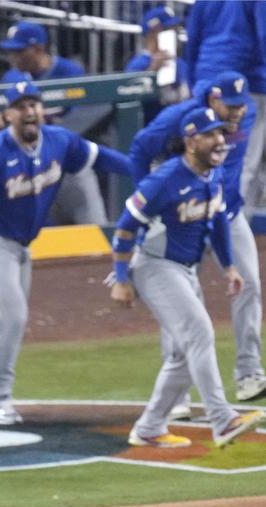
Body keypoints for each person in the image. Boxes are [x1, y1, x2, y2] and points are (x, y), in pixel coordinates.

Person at [0, 82, 131, 424]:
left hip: (21, 245)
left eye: (34, 104)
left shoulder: (59, 140)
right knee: (13, 317)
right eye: (21, 106)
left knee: (1, 319)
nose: (29, 112)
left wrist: (144, 172)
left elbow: (101, 158)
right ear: (7, 114)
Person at [110, 107, 265, 449]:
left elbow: (219, 221)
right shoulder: (164, 179)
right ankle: (223, 419)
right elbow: (124, 227)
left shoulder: (214, 174)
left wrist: (229, 266)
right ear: (191, 140)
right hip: (155, 266)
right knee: (199, 332)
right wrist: (121, 278)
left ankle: (150, 426)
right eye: (211, 134)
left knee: (183, 356)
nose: (220, 140)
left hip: (186, 269)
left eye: (222, 133)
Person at [130, 72, 266, 406]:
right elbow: (139, 150)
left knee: (249, 284)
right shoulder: (179, 118)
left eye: (240, 105)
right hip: (182, 219)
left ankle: (249, 373)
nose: (236, 113)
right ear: (212, 99)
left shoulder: (246, 114)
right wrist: (149, 200)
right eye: (229, 106)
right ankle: (177, 398)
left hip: (225, 213)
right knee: (180, 302)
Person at [0, 21, 107, 226]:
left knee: (95, 235)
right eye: (11, 51)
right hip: (32, 173)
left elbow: (91, 115)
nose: (13, 57)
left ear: (39, 49)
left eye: (20, 51)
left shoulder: (69, 72)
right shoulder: (11, 78)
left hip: (70, 168)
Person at [184, 1, 266, 208]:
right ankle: (229, 226)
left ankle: (201, 221)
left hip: (207, 83)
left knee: (204, 157)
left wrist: (195, 85)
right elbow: (264, 35)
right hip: (244, 87)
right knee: (244, 162)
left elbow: (191, 41)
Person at [124, 5, 190, 121]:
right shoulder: (138, 65)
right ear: (153, 33)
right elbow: (128, 105)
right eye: (170, 29)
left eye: (176, 29)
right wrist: (151, 72)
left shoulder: (180, 63)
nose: (176, 34)